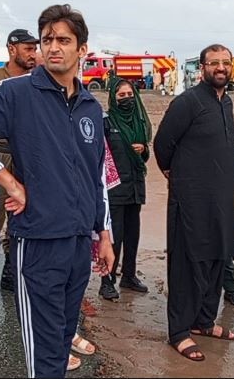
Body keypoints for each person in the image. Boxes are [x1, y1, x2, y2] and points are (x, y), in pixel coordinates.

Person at [0, 4, 115, 378]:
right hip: (37, 242)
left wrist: (103, 234)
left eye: (63, 40)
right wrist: (7, 180)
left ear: (82, 49)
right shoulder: (16, 92)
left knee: (62, 341)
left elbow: (96, 175)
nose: (53, 47)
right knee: (44, 355)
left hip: (78, 244)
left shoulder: (90, 106)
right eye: (47, 39)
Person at [154, 44, 234, 362]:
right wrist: (175, 174)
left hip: (221, 201)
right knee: (188, 265)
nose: (220, 67)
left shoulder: (226, 102)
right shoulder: (188, 102)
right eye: (214, 63)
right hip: (190, 200)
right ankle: (179, 332)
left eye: (225, 62)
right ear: (202, 68)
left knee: (216, 260)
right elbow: (162, 144)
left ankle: (203, 321)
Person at [0, 28, 39, 293]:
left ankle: (12, 271)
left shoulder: (38, 80)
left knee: (21, 215)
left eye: (35, 49)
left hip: (28, 157)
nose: (33, 54)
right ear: (12, 49)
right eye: (28, 49)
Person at [99, 78, 152, 301]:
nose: (127, 99)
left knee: (133, 235)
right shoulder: (106, 122)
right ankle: (107, 280)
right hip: (114, 188)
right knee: (115, 236)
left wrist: (143, 149)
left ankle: (129, 276)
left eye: (130, 94)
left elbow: (145, 156)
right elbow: (98, 155)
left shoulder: (139, 122)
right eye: (121, 95)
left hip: (135, 187)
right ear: (113, 98)